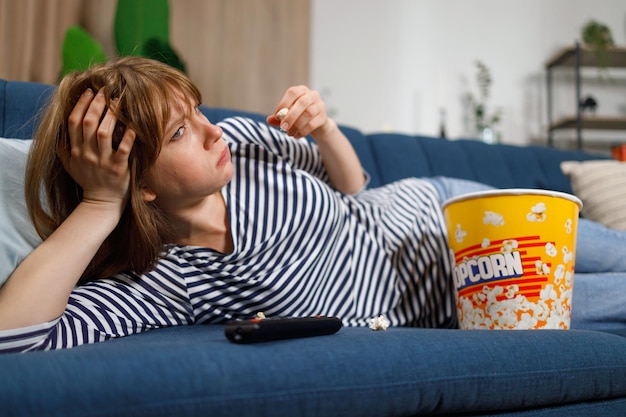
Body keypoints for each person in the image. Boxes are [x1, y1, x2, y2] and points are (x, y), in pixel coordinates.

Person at [0, 57, 625, 352]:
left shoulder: (239, 145)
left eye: (196, 112)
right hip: (469, 291)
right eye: (181, 132)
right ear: (140, 182)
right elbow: (15, 341)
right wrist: (102, 202)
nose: (216, 128)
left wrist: (325, 130)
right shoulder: (172, 282)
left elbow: (354, 190)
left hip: (443, 207)